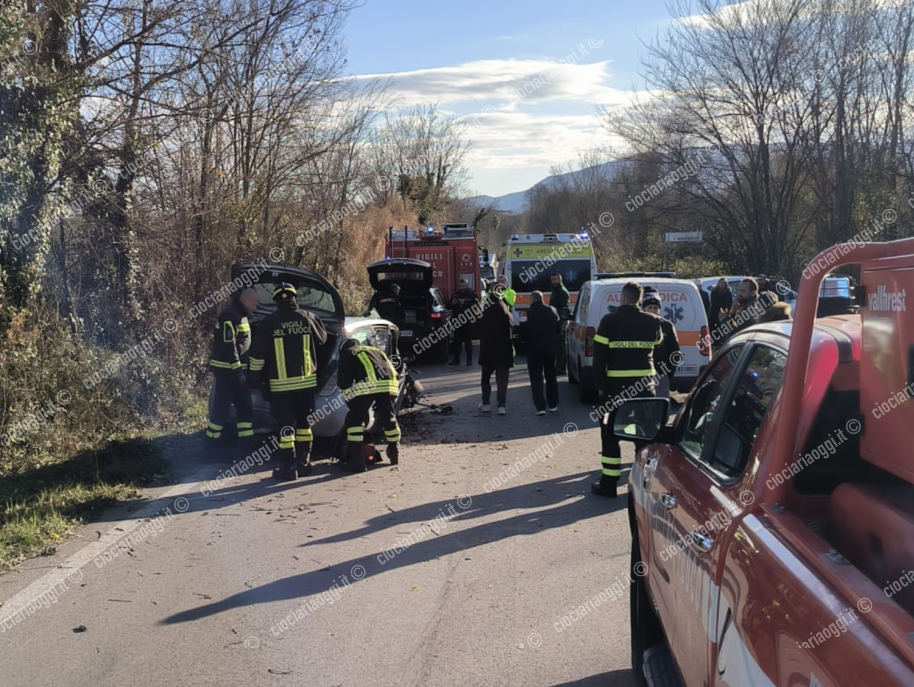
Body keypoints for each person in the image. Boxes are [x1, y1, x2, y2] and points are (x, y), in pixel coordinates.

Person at [248, 283, 328, 481]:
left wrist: (253, 377)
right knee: (304, 424)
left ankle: (288, 467)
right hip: (306, 384)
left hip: (281, 387)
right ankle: (303, 463)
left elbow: (257, 355)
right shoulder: (308, 317)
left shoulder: (269, 322)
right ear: (295, 298)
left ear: (276, 301)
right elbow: (324, 340)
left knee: (285, 427)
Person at [591, 281, 663, 498]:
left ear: (622, 298)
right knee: (644, 436)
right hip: (645, 388)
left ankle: (609, 484)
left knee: (610, 434)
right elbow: (658, 343)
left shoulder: (609, 321)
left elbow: (599, 358)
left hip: (615, 389)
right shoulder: (653, 321)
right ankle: (644, 483)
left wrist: (600, 386)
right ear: (639, 300)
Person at [337, 338, 401, 472]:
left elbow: (343, 383)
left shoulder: (347, 354)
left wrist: (353, 406)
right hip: (389, 385)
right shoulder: (376, 350)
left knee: (354, 422)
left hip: (367, 388)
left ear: (342, 349)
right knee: (389, 419)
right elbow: (393, 371)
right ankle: (394, 454)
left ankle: (357, 462)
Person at [206, 288, 259, 449]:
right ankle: (211, 446)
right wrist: (237, 368)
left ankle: (246, 446)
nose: (255, 307)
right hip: (227, 372)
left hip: (238, 372)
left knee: (245, 409)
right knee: (221, 410)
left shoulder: (242, 316)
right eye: (254, 304)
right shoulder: (230, 315)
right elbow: (228, 344)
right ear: (245, 301)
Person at [478, 288, 514, 415]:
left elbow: (477, 330)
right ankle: (501, 405)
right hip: (503, 352)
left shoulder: (484, 314)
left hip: (487, 351)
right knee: (502, 380)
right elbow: (511, 331)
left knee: (485, 378)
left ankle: (486, 403)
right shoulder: (506, 315)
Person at [525, 291, 560, 415]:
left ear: (531, 300)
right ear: (542, 299)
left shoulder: (527, 312)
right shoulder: (553, 310)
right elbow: (558, 328)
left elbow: (522, 331)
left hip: (533, 350)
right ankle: (553, 404)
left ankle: (540, 407)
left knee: (536, 378)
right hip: (550, 349)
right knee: (551, 375)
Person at [641, 289, 680, 400]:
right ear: (643, 309)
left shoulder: (667, 326)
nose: (653, 310)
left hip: (661, 372)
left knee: (661, 402)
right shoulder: (638, 325)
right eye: (650, 307)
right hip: (642, 373)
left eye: (655, 308)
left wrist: (668, 371)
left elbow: (675, 351)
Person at [449, 278, 479, 366]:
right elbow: (448, 306)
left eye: (463, 286)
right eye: (460, 286)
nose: (461, 288)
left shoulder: (472, 294)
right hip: (457, 321)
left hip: (468, 321)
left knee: (468, 342)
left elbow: (476, 306)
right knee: (457, 341)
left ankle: (469, 360)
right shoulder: (456, 294)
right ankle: (456, 359)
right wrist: (452, 303)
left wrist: (465, 303)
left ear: (466, 285)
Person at [550, 274, 570, 375]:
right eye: (552, 280)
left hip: (560, 322)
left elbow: (563, 309)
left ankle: (561, 367)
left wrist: (561, 324)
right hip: (556, 321)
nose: (553, 281)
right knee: (558, 346)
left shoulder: (561, 292)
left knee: (561, 346)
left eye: (555, 279)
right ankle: (558, 366)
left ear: (560, 280)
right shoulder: (556, 290)